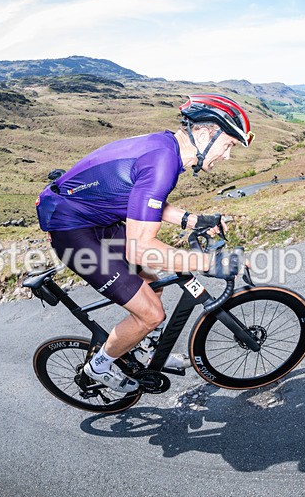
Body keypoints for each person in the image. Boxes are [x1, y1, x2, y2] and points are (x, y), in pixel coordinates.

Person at [35, 94, 253, 393]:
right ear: (203, 133)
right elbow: (140, 248)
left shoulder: (166, 147)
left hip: (96, 220)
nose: (227, 155)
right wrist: (213, 263)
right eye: (228, 144)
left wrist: (192, 219)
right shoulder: (163, 163)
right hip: (74, 234)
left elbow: (140, 199)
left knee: (153, 281)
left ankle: (143, 348)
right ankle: (98, 367)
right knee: (151, 313)